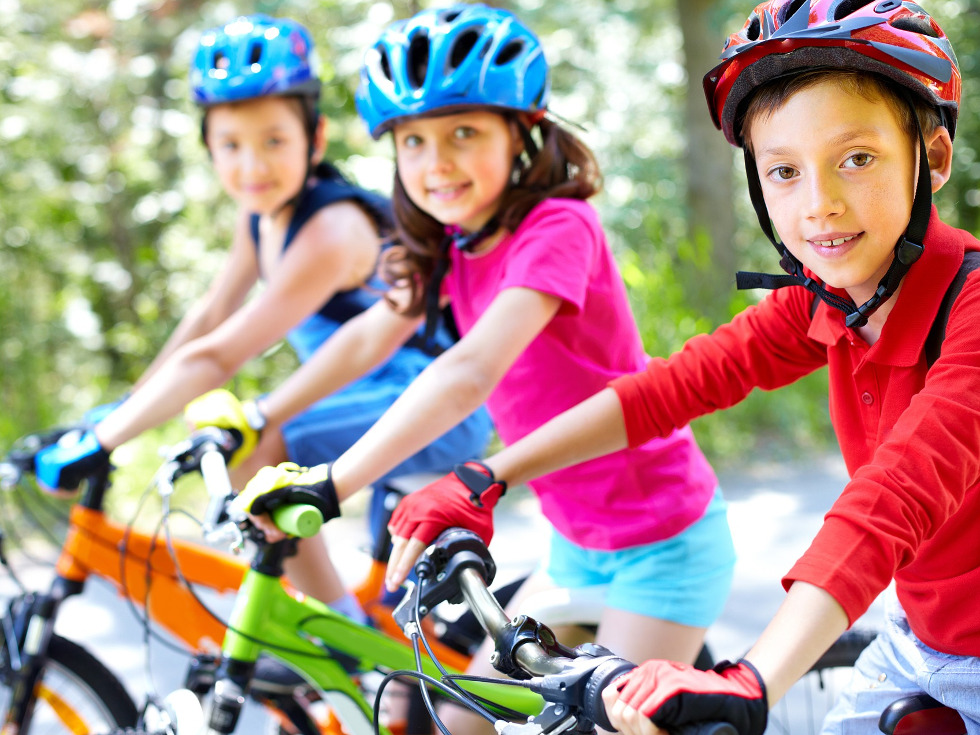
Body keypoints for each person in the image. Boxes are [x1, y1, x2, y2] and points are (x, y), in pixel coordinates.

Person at [382, 0, 977, 733]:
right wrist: (488, 475)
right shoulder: (825, 302)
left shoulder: (971, 310)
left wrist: (753, 678)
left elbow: (894, 499)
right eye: (785, 170)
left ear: (935, 158)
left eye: (856, 159)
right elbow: (667, 389)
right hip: (917, 642)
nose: (819, 204)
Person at [230, 5, 734, 732]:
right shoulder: (454, 247)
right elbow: (367, 338)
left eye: (464, 133)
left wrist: (338, 480)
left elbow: (471, 370)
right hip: (578, 545)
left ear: (522, 130)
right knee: (461, 719)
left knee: (608, 724)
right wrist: (261, 417)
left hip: (663, 546)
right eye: (414, 141)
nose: (437, 162)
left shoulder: (559, 227)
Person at [33, 14, 492, 620]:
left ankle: (332, 627)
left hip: (431, 410)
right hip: (364, 405)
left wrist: (108, 437)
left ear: (316, 139)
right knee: (399, 640)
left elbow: (224, 353)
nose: (252, 166)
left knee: (262, 447)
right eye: (231, 145)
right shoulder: (262, 216)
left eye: (274, 141)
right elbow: (211, 316)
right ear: (207, 148)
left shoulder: (329, 229)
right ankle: (347, 637)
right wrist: (122, 412)